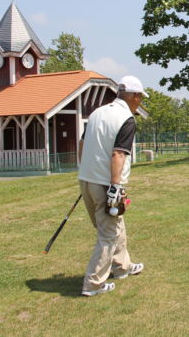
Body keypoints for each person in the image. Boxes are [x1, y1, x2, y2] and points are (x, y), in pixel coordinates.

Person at [77, 75, 147, 296]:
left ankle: (121, 267)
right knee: (108, 233)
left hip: (87, 181)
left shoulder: (97, 112)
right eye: (140, 98)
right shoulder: (127, 118)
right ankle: (93, 283)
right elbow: (118, 153)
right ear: (135, 96)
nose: (140, 102)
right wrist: (115, 187)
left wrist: (85, 171)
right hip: (107, 183)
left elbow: (82, 144)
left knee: (115, 224)